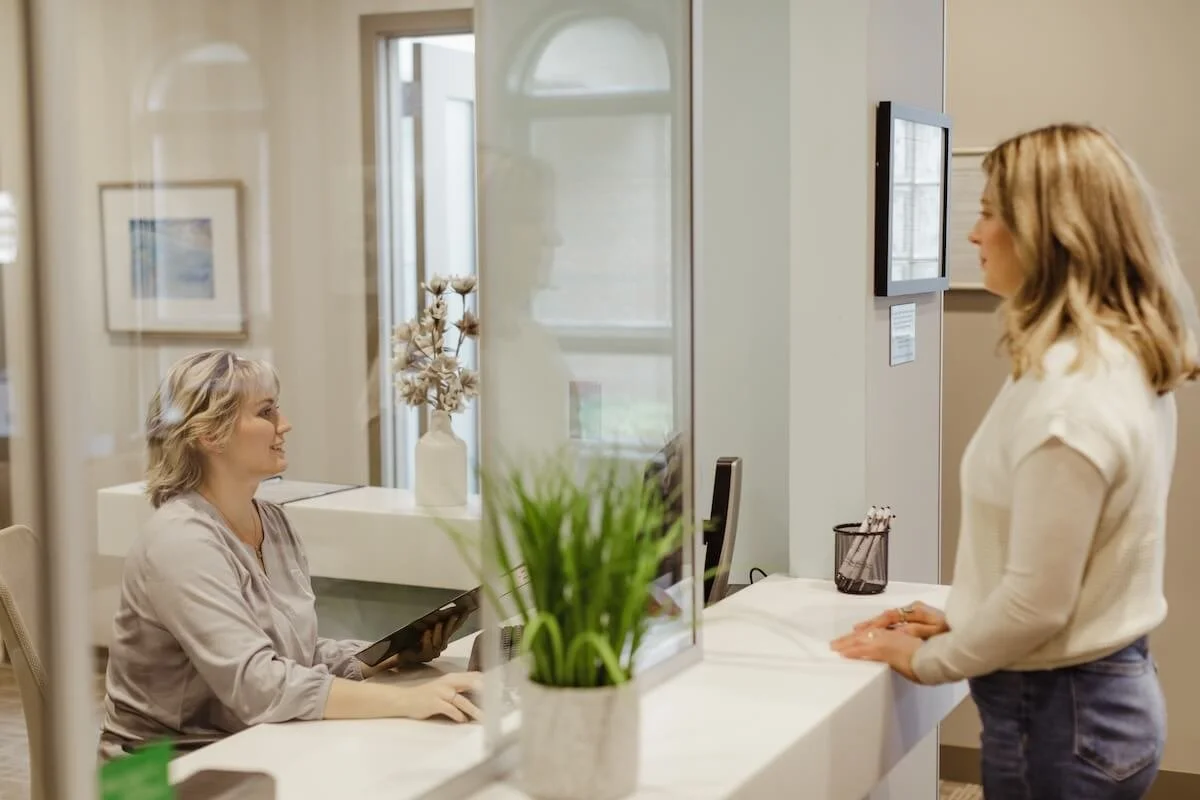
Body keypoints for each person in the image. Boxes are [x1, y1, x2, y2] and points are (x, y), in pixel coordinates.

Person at [832, 123, 1198, 799]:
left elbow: (1038, 604)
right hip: (1094, 701)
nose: (973, 234)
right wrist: (969, 616)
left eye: (989, 213)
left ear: (1050, 233)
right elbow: (1068, 567)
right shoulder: (1106, 358)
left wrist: (928, 659)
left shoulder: (1071, 393)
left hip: (1060, 720)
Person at [99, 350, 480, 759]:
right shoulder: (179, 543)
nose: (285, 424)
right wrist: (408, 701)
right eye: (266, 412)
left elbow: (298, 656)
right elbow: (258, 687)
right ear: (210, 434)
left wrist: (386, 656)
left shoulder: (274, 524)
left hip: (242, 743)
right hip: (157, 768)